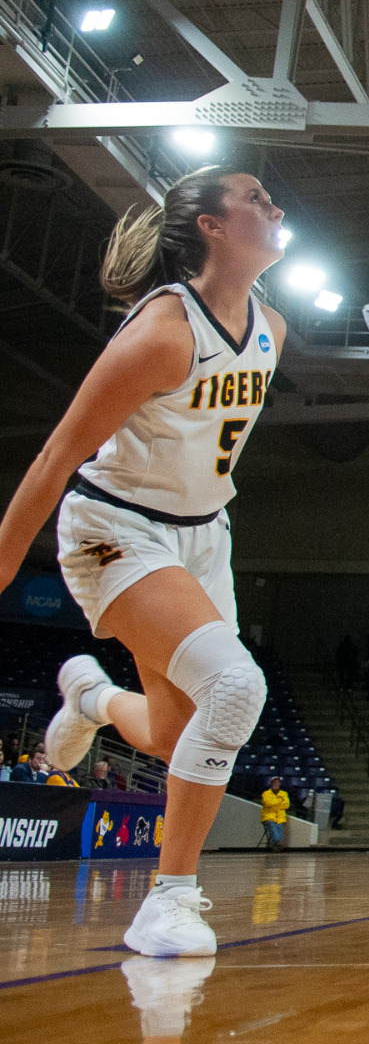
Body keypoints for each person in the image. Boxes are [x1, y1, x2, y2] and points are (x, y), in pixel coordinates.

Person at [2, 166, 286, 957]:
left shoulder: (273, 327)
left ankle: (90, 698)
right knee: (236, 687)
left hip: (204, 536)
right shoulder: (163, 330)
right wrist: (3, 560)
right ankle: (168, 900)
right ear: (211, 226)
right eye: (256, 197)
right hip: (114, 529)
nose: (275, 206)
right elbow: (62, 450)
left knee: (173, 733)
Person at [259, 777, 288, 849]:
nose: (276, 784)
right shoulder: (266, 793)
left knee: (279, 826)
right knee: (272, 825)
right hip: (268, 816)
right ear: (271, 783)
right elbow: (267, 803)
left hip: (279, 817)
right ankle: (277, 842)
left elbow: (286, 805)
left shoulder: (284, 794)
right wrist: (279, 801)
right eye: (275, 782)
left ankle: (276, 844)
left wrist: (274, 803)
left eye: (278, 782)